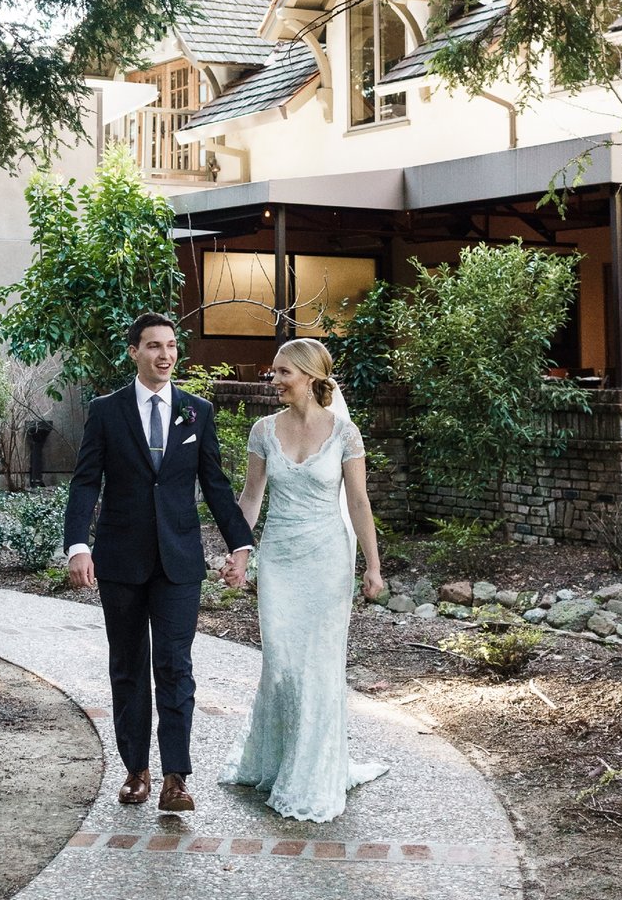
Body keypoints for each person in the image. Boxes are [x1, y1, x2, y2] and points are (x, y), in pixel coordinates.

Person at [62, 312, 254, 813]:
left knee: (174, 666)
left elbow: (215, 485)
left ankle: (175, 778)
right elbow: (86, 482)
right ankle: (135, 771)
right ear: (134, 352)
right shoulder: (107, 411)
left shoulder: (197, 412)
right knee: (127, 667)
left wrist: (240, 544)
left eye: (170, 346)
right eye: (153, 346)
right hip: (121, 561)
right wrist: (78, 545)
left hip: (179, 563)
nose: (164, 355)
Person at [221, 337, 391, 823]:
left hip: (327, 561)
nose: (273, 381)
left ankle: (311, 774)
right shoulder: (262, 430)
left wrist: (373, 566)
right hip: (279, 558)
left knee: (317, 669)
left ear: (311, 377)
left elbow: (359, 503)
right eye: (272, 373)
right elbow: (251, 499)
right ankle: (277, 761)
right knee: (280, 665)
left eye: (282, 373)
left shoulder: (345, 433)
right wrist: (238, 551)